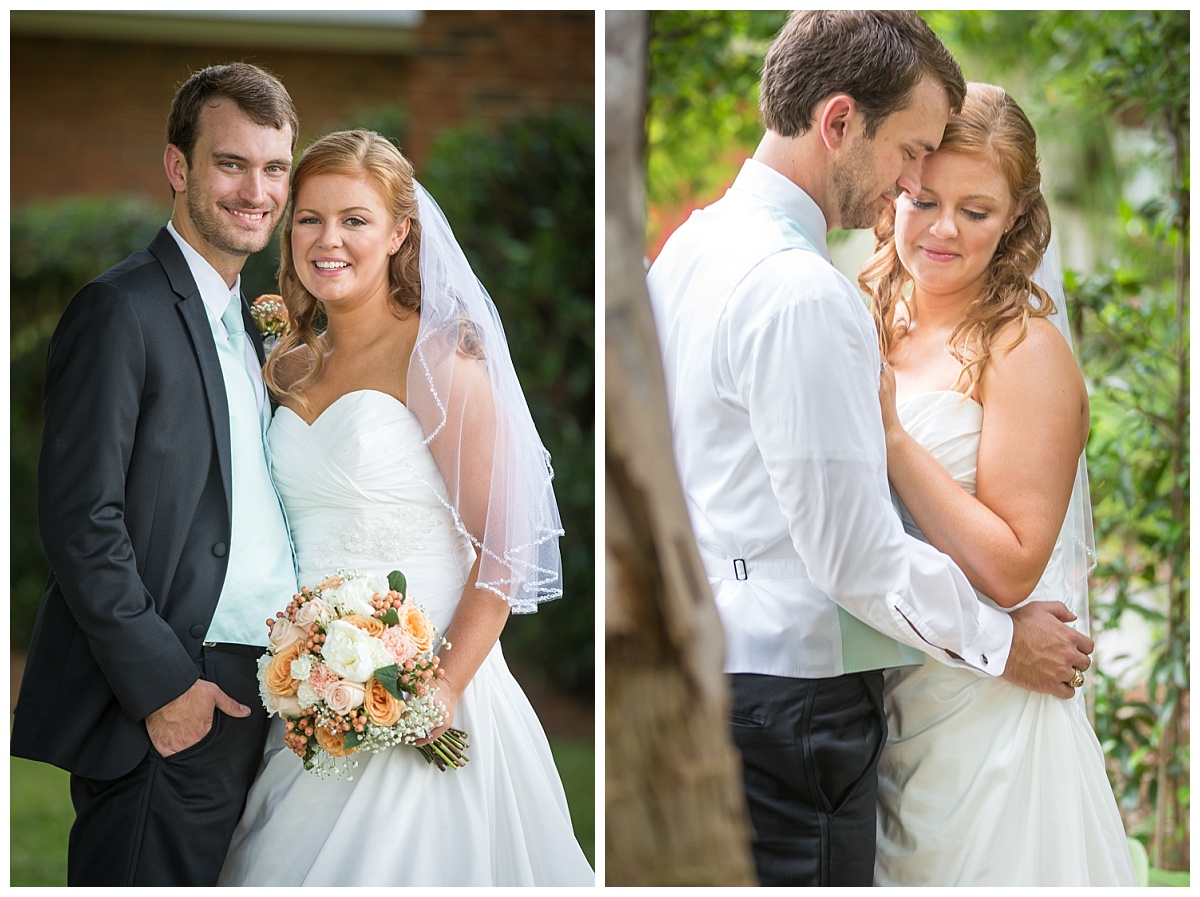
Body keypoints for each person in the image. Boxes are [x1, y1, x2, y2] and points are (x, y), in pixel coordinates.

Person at [645, 11, 1094, 887]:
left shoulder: (688, 249)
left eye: (968, 201)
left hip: (772, 680)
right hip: (803, 699)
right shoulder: (809, 294)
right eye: (911, 160)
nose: (910, 188)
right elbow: (855, 556)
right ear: (840, 122)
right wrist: (1004, 642)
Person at [217, 129, 594, 886]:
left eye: (354, 219)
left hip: (429, 679)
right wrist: (310, 666)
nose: (329, 240)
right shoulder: (286, 364)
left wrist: (436, 691)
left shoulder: (441, 356)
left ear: (398, 233)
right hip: (309, 689)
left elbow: (503, 547)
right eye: (310, 218)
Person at [10, 63, 300, 886]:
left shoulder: (253, 325)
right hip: (171, 692)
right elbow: (79, 520)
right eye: (231, 163)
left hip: (265, 691)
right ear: (179, 168)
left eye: (274, 168)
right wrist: (165, 686)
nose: (256, 190)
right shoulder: (120, 309)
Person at [861, 82, 1137, 886]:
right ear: (893, 189)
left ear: (1015, 217)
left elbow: (1016, 565)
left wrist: (892, 439)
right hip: (882, 687)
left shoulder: (1024, 349)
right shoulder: (865, 312)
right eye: (924, 200)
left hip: (988, 721)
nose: (943, 229)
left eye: (976, 211)